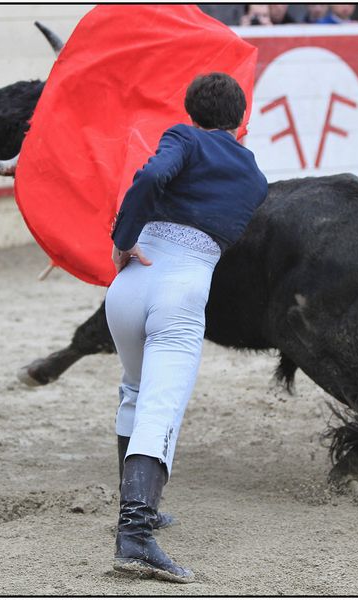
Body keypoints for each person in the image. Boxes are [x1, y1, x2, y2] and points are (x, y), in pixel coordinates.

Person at [106, 72, 269, 583]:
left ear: (191, 110)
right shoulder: (255, 180)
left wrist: (122, 238)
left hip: (131, 282)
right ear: (240, 121)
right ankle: (134, 534)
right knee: (160, 404)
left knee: (135, 390)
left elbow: (152, 178)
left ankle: (140, 510)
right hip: (182, 290)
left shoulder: (181, 136)